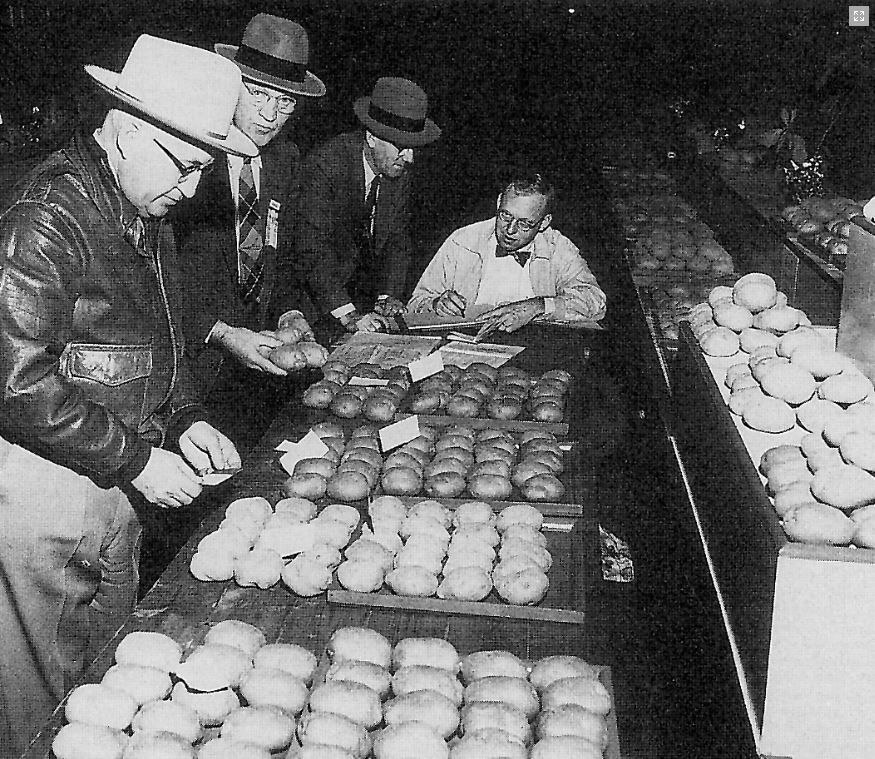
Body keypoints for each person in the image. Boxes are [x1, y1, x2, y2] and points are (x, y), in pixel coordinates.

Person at [0, 35, 252, 753]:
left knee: (120, 677)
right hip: (48, 486)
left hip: (118, 470)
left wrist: (186, 416)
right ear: (128, 128)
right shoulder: (48, 213)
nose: (194, 187)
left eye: (206, 168)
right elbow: (12, 377)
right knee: (50, 705)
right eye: (188, 164)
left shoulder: (144, 201)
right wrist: (137, 461)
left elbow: (161, 336)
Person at [172, 14, 325, 392]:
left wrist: (290, 311)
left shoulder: (286, 159)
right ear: (231, 86)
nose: (270, 115)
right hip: (192, 363)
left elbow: (281, 254)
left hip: (258, 365)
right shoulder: (190, 157)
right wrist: (220, 333)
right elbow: (162, 273)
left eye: (285, 101)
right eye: (258, 94)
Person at [293, 76, 441, 337]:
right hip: (311, 302)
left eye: (413, 148)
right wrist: (347, 313)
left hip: (358, 297)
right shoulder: (326, 165)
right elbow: (311, 249)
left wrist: (388, 296)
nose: (410, 158)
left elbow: (397, 239)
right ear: (372, 138)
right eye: (402, 147)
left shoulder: (396, 171)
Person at [407, 173, 607, 331]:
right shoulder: (463, 241)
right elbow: (415, 303)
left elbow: (596, 301)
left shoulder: (558, 248)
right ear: (498, 202)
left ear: (544, 223)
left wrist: (539, 306)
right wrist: (435, 304)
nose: (510, 230)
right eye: (505, 216)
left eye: (525, 224)